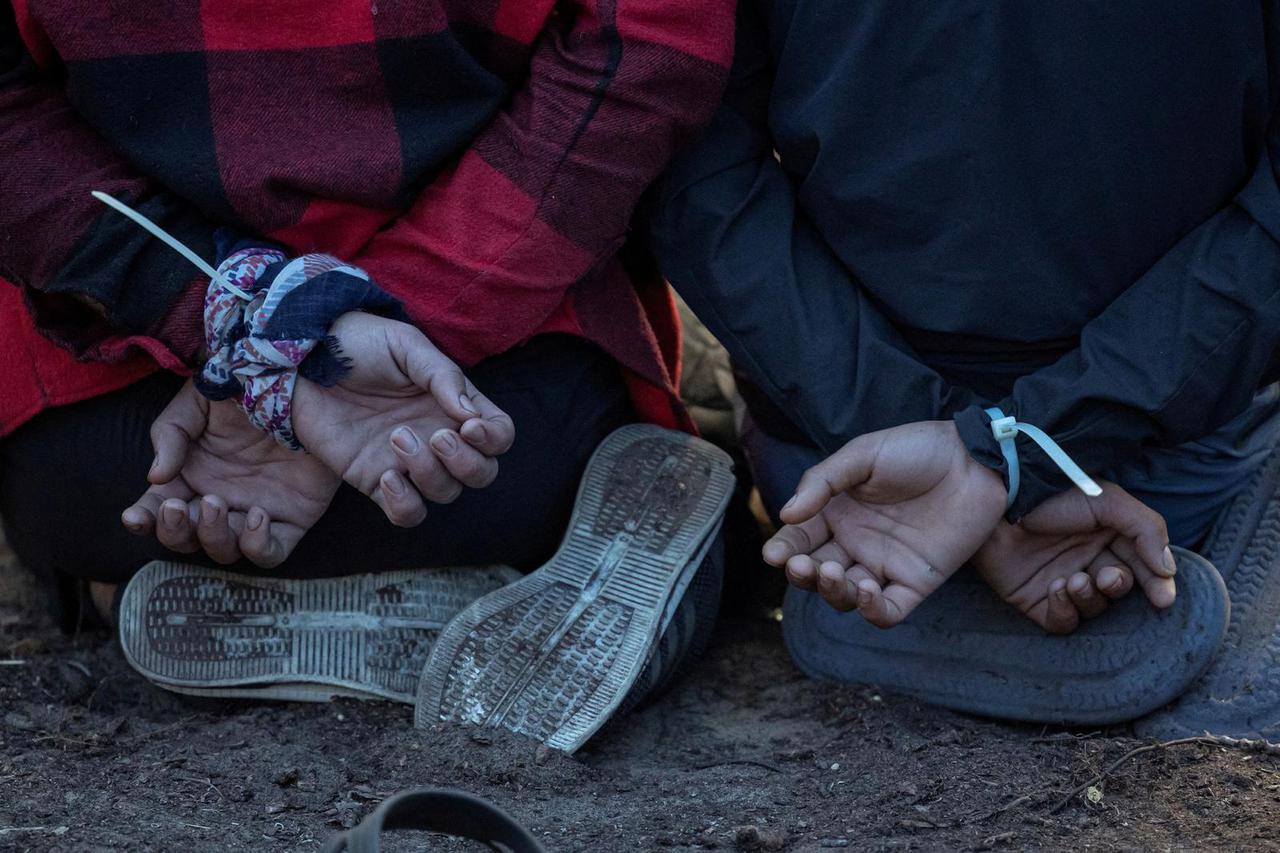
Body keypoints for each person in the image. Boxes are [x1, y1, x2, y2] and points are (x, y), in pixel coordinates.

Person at [0, 0, 734, 749]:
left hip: (153, 440)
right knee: (570, 465)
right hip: (472, 395)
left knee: (92, 491)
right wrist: (361, 329)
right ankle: (522, 601)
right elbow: (650, 42)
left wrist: (242, 319)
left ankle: (143, 596)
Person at [651, 0, 1280, 736]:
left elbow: (688, 154)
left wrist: (951, 454)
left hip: (851, 488)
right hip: (1157, 486)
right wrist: (1016, 453)